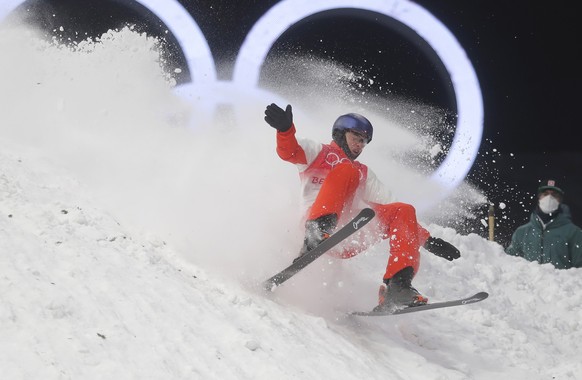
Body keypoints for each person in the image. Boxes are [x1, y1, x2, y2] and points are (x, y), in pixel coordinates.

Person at [264, 103, 461, 311]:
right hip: (316, 229)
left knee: (404, 209)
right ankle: (317, 231)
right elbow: (289, 151)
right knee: (346, 171)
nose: (360, 145)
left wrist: (428, 240)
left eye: (364, 142)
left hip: (348, 235)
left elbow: (394, 209)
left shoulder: (364, 173)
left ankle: (398, 286)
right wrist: (285, 130)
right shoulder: (319, 152)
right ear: (340, 133)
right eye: (356, 138)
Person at [505, 179, 582, 269]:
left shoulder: (574, 233)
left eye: (554, 195)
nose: (549, 198)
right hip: (529, 282)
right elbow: (508, 264)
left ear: (560, 200)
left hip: (560, 282)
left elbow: (579, 271)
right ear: (539, 198)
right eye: (545, 194)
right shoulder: (522, 232)